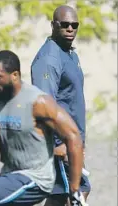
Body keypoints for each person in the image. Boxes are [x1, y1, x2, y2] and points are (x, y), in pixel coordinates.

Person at [0, 50, 86, 206]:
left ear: (14, 76)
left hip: (35, 178)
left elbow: (73, 136)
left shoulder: (38, 102)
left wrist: (74, 190)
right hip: (9, 176)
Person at [31, 5, 91, 206]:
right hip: (62, 143)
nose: (70, 29)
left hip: (73, 141)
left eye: (74, 25)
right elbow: (44, 104)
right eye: (64, 24)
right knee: (77, 192)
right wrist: (58, 144)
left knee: (61, 196)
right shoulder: (49, 58)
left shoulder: (70, 54)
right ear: (53, 25)